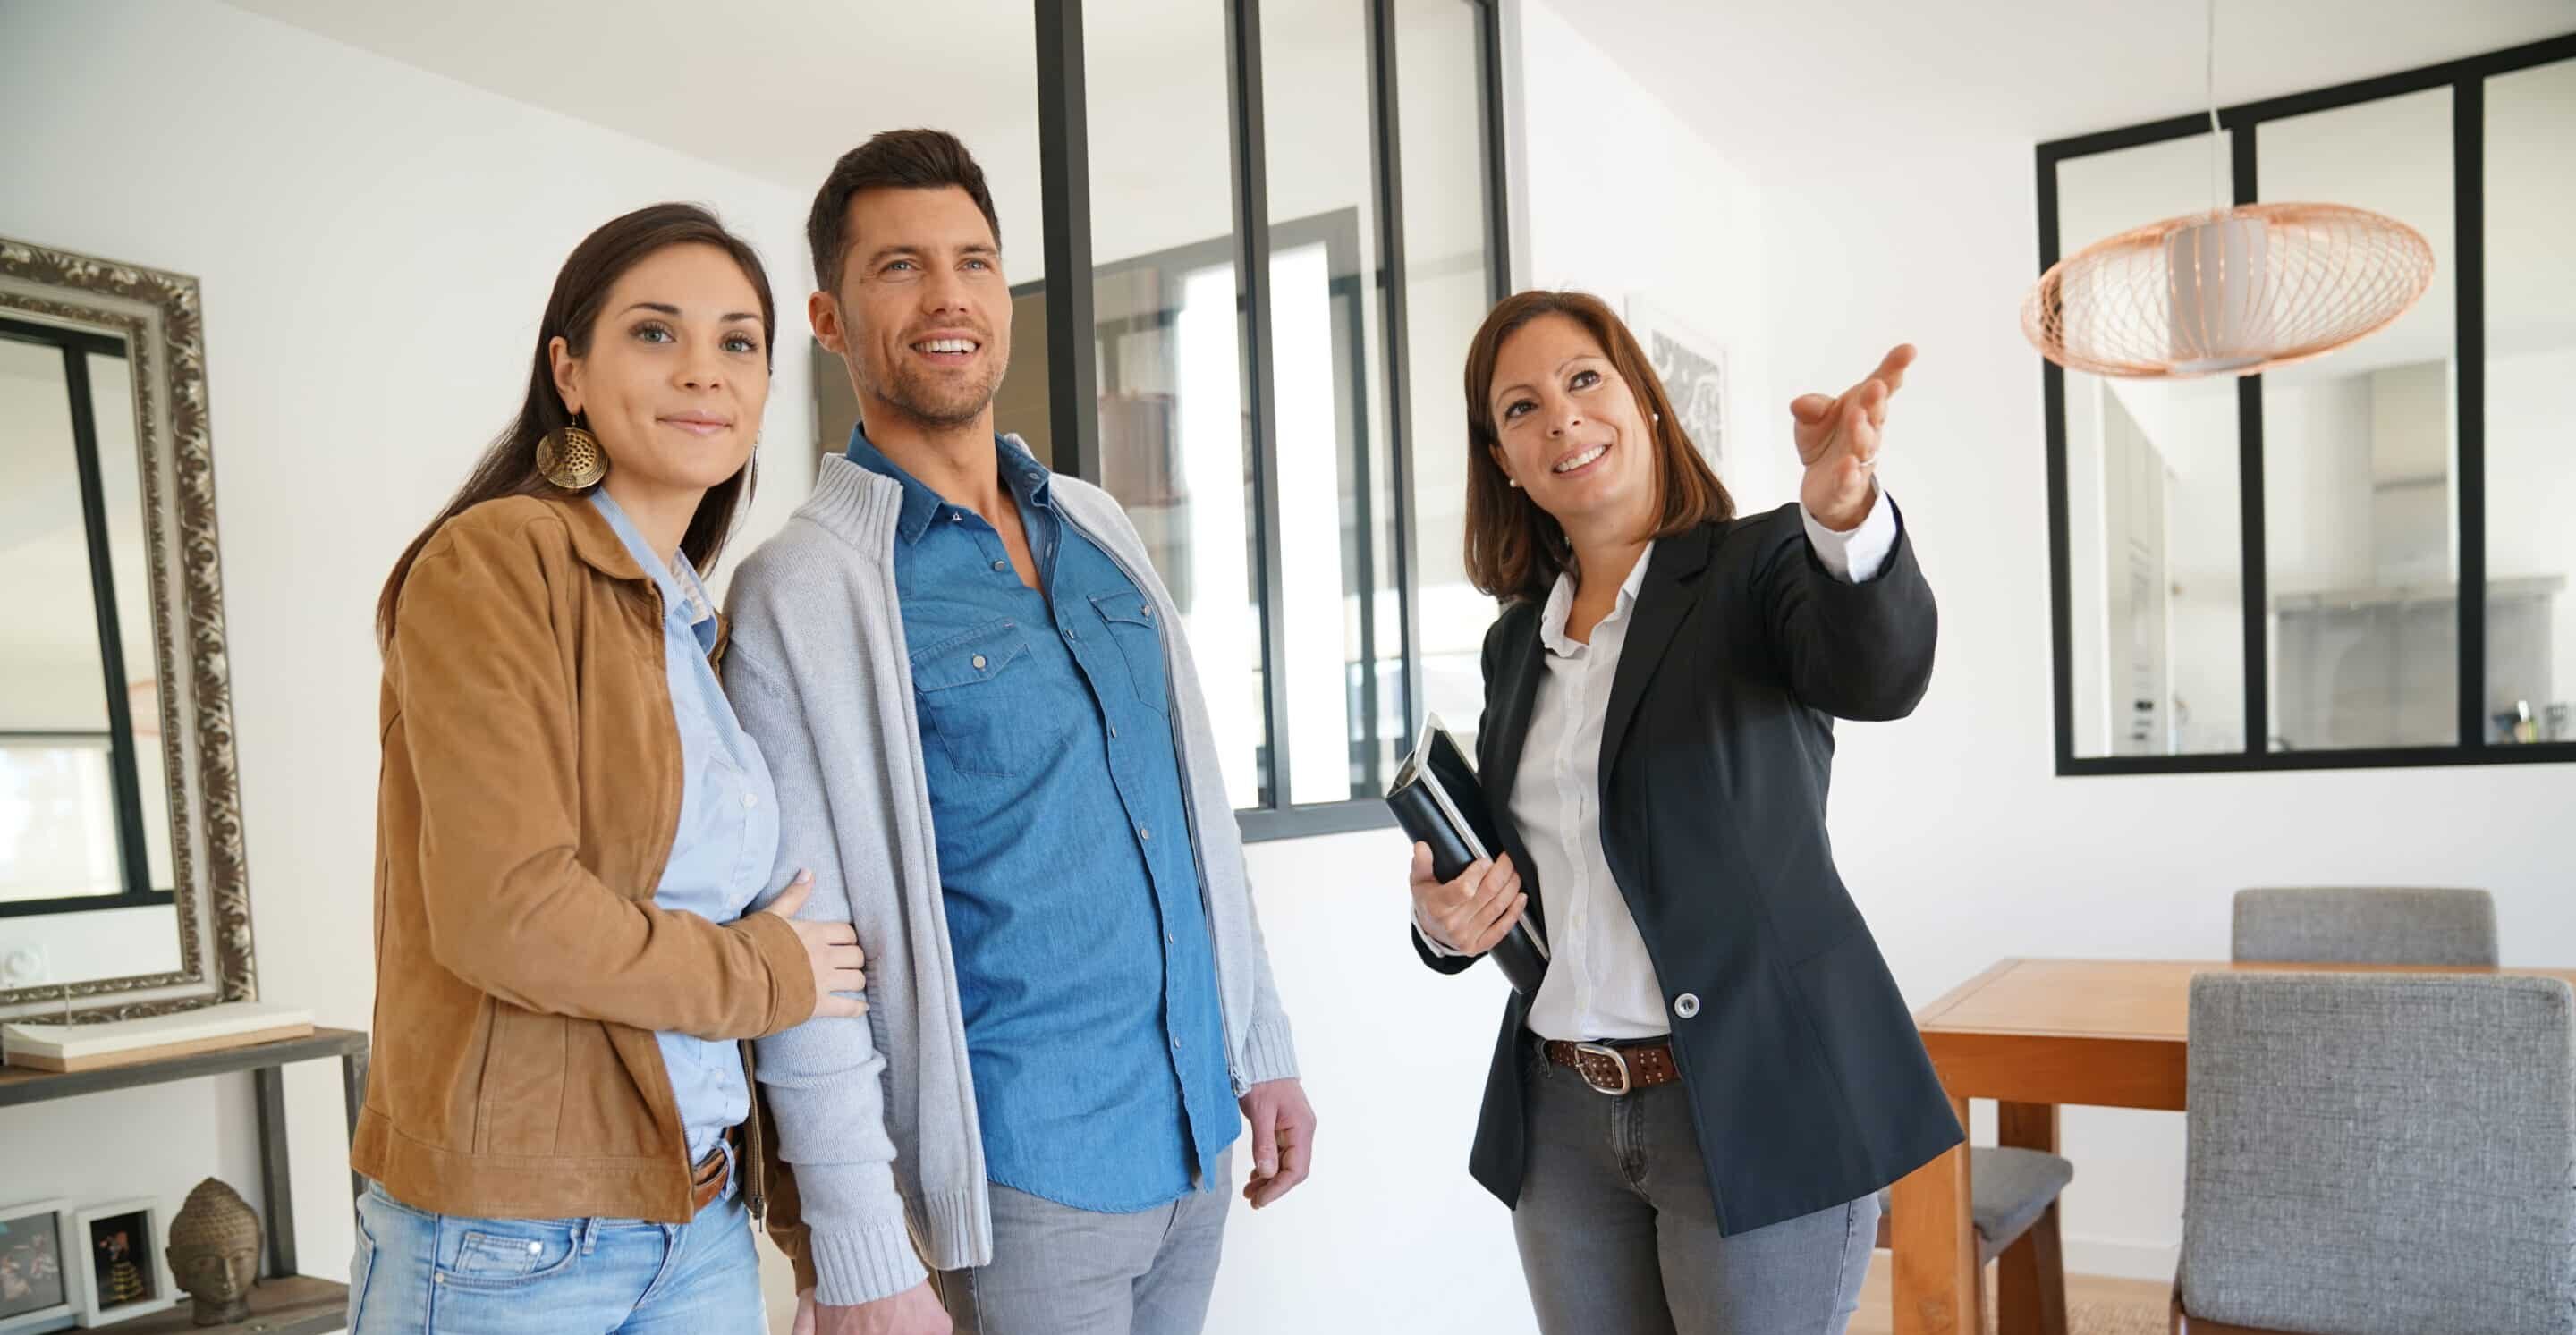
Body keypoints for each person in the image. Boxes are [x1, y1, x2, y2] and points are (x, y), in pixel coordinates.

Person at [723, 129, 1313, 1335]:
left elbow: (1193, 808)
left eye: (974, 261)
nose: (947, 297)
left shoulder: (1095, 525)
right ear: (829, 319)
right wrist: (853, 1246)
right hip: (1017, 1190)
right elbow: (807, 956)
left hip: (1194, 1138)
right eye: (899, 268)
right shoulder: (808, 588)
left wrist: (1262, 1045)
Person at [352, 203, 865, 1334]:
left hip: (695, 1219)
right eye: (653, 333)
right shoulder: (497, 560)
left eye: (738, 342)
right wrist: (765, 970)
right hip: (511, 1240)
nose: (703, 371)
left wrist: (803, 1221)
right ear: (568, 371)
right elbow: (508, 915)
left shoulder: (690, 621)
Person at [1402, 290, 1959, 1334]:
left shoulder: (1757, 568)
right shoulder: (1515, 645)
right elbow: (1536, 880)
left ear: (1643, 402)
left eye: (1582, 380)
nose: (1560, 418)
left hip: (1752, 1096)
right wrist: (1445, 924)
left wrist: (1843, 514)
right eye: (1521, 409)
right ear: (1504, 461)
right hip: (1562, 1118)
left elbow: (1880, 672)